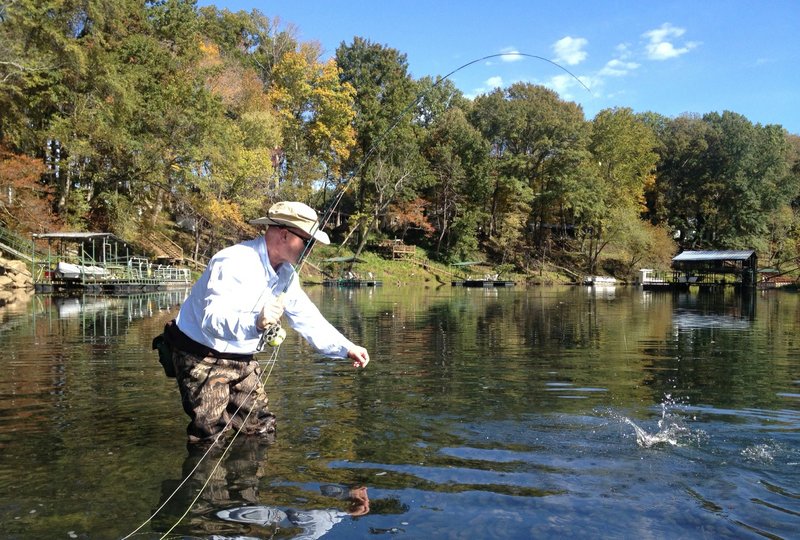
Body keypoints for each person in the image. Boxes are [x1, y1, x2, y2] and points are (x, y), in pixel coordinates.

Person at [160, 201, 370, 444]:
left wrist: (346, 348)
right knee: (209, 438)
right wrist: (255, 323)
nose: (310, 250)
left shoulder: (287, 274)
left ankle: (249, 481)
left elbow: (306, 316)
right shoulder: (232, 261)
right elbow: (211, 320)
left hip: (242, 357)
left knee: (261, 429)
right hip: (200, 354)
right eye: (308, 242)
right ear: (284, 235)